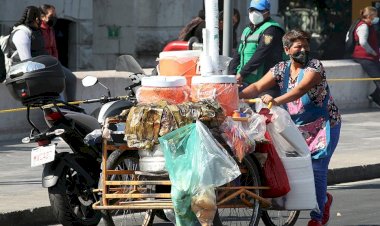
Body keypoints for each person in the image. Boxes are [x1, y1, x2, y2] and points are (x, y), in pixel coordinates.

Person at [239, 29, 341, 226]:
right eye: (297, 46)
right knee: (294, 167)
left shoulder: (315, 66)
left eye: (305, 46)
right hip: (298, 128)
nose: (302, 50)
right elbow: (257, 86)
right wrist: (236, 94)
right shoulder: (280, 69)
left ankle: (317, 218)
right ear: (287, 50)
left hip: (323, 126)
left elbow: (300, 90)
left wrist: (275, 100)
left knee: (317, 169)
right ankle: (323, 198)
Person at [229, 0, 285, 97]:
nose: (254, 13)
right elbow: (238, 53)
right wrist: (232, 74)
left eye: (258, 10)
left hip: (264, 83)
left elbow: (261, 54)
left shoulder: (271, 29)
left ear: (267, 12)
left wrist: (242, 73)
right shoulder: (247, 30)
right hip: (245, 80)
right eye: (252, 10)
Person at [349, 6, 380, 107]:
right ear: (370, 16)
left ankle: (375, 96)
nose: (377, 18)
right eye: (375, 16)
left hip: (370, 57)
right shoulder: (363, 26)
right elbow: (363, 42)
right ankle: (376, 98)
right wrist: (372, 52)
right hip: (365, 57)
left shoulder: (368, 25)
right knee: (379, 79)